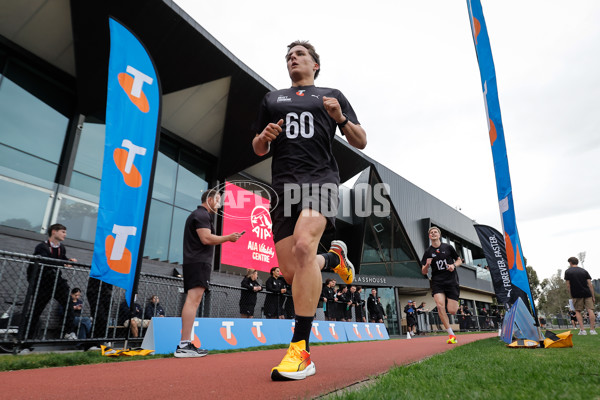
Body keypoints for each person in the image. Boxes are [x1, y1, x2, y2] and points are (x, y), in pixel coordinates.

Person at [252, 40, 366, 381]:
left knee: (304, 245)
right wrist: (266, 137)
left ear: (315, 65)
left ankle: (300, 351)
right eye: (288, 56)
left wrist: (340, 118)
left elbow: (360, 140)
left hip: (321, 181)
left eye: (299, 55)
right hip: (283, 188)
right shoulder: (272, 99)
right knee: (292, 272)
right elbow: (257, 147)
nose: (292, 59)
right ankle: (334, 260)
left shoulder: (331, 94)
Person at [175, 190, 243, 357]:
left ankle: (185, 343)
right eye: (218, 200)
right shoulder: (201, 215)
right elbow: (206, 238)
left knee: (194, 300)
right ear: (210, 199)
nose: (220, 204)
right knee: (193, 300)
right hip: (197, 262)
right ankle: (184, 344)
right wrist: (228, 238)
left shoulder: (200, 215)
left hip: (197, 262)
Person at [21, 223, 77, 340]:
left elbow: (61, 259)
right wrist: (63, 262)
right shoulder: (42, 247)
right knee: (36, 311)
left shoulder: (62, 248)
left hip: (57, 281)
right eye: (63, 232)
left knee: (68, 304)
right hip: (44, 284)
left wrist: (68, 260)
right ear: (54, 232)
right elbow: (46, 262)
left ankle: (69, 332)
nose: (65, 235)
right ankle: (26, 339)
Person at [421, 226, 462, 344]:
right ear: (429, 236)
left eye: (435, 232)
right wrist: (427, 265)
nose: (433, 234)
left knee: (452, 311)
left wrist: (453, 266)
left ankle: (452, 302)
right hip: (437, 281)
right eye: (431, 233)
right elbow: (423, 271)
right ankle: (451, 335)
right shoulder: (428, 252)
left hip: (451, 281)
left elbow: (459, 260)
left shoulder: (448, 247)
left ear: (439, 235)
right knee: (439, 306)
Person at [564, 257, 597, 335]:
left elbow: (568, 285)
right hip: (587, 293)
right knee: (590, 310)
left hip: (576, 294)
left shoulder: (568, 272)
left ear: (570, 263)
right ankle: (592, 330)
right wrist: (593, 296)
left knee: (578, 311)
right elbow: (590, 285)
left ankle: (583, 330)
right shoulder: (584, 271)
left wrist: (571, 295)